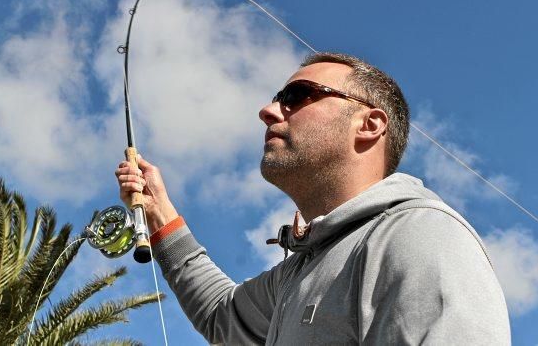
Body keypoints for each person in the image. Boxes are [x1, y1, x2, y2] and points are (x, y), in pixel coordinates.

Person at [115, 52, 511, 345]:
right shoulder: (297, 274)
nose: (268, 111)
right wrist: (157, 211)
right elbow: (222, 314)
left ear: (369, 125)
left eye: (297, 95)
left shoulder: (420, 235)